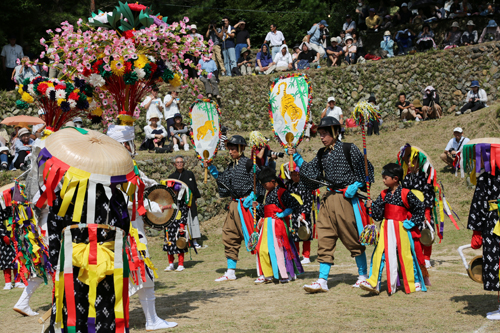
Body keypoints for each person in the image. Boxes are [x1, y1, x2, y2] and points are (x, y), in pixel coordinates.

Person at [291, 117, 374, 293]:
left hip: (347, 199)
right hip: (328, 199)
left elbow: (367, 170)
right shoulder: (322, 153)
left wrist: (357, 185)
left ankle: (362, 276)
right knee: (325, 237)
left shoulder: (349, 148)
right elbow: (312, 174)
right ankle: (322, 280)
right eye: (320, 134)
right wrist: (296, 157)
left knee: (353, 238)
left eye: (325, 134)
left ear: (335, 132)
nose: (322, 137)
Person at [360, 163, 426, 295]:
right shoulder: (383, 194)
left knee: (406, 254)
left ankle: (414, 282)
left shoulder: (406, 193)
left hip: (402, 228)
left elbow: (420, 208)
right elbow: (378, 215)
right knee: (379, 253)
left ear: (395, 179)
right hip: (386, 228)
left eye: (385, 178)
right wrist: (370, 207)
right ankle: (374, 283)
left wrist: (411, 222)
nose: (383, 180)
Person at [206, 135, 264, 282]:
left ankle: (263, 271)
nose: (230, 152)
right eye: (229, 149)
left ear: (241, 148)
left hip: (247, 206)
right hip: (233, 205)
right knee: (229, 235)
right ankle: (231, 271)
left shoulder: (250, 163)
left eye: (233, 149)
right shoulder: (231, 166)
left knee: (254, 237)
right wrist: (212, 169)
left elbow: (262, 181)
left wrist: (253, 197)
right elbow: (224, 181)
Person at [253, 167, 303, 284]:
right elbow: (264, 211)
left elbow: (294, 204)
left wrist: (282, 214)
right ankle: (268, 274)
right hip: (266, 225)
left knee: (280, 249)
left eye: (266, 184)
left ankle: (286, 274)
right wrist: (258, 206)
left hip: (278, 225)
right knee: (262, 249)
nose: (264, 187)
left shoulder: (282, 192)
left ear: (273, 181)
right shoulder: (268, 194)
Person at [467, 160, 500, 319]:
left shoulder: (486, 176)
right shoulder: (486, 177)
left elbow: (478, 204)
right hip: (494, 223)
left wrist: (477, 229)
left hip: (493, 222)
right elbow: (479, 203)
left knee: (497, 261)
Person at [280, 162, 314, 265]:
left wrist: (303, 213)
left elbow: (308, 200)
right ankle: (297, 254)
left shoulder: (306, 185)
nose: (296, 177)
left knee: (305, 234)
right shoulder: (289, 185)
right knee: (294, 235)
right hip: (292, 213)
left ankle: (306, 256)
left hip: (303, 213)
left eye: (298, 175)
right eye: (294, 175)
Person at [168, 156, 202, 249]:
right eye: (177, 162)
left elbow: (194, 187)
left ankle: (194, 241)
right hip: (179, 204)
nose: (179, 164)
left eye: (181, 162)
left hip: (190, 202)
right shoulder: (172, 177)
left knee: (193, 220)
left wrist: (195, 200)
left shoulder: (189, 174)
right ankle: (184, 241)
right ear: (174, 164)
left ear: (184, 163)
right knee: (182, 222)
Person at [163, 181, 190, 272]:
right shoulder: (166, 200)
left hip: (178, 224)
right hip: (168, 223)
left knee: (180, 243)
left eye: (174, 190)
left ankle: (181, 264)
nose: (172, 192)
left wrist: (182, 224)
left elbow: (184, 212)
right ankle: (171, 264)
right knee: (169, 243)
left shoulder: (181, 201)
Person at [1, 215, 21, 290]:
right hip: (4, 242)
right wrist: (4, 236)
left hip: (15, 238)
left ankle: (17, 281)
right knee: (6, 263)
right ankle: (8, 282)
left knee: (17, 261)